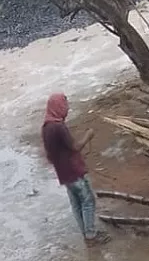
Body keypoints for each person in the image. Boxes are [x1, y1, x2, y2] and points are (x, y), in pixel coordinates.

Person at [40, 93, 110, 245]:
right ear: (58, 107)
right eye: (65, 105)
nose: (67, 108)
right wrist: (88, 135)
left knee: (76, 203)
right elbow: (75, 147)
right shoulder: (59, 127)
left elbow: (49, 154)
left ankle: (86, 234)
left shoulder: (46, 127)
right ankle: (91, 235)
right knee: (88, 200)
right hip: (73, 170)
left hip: (63, 172)